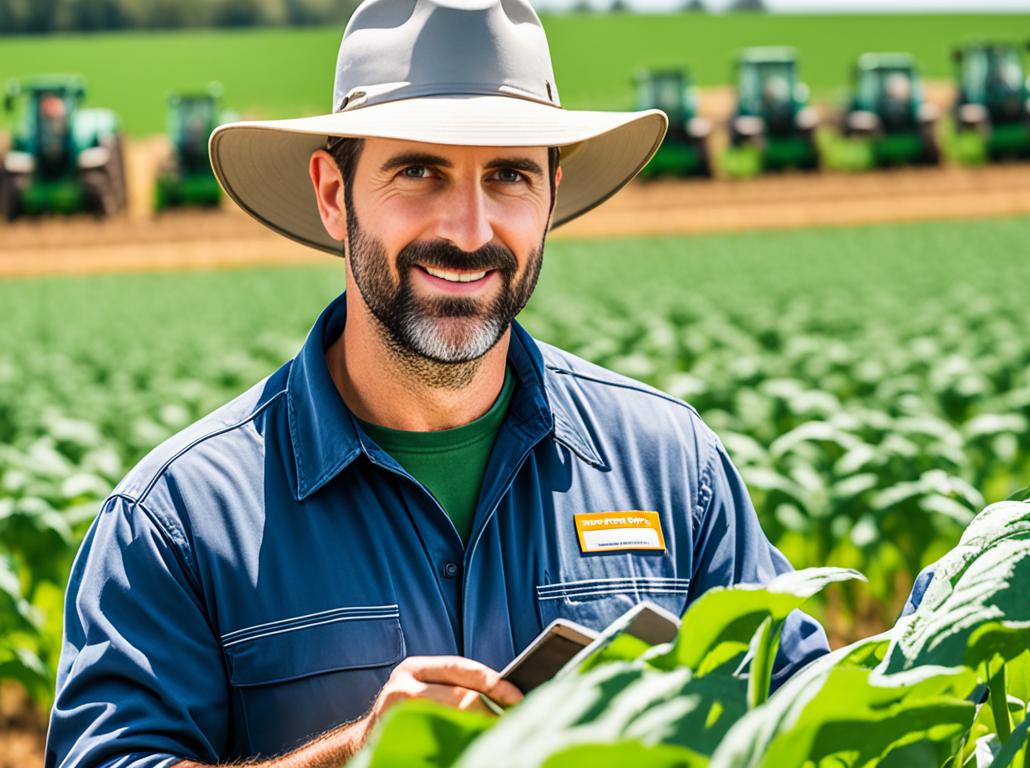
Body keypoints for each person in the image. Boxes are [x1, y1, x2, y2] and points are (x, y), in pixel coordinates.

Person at [46, 1, 829, 766]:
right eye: (418, 171)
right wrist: (352, 756)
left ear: (552, 194)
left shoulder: (672, 470)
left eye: (510, 175)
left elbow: (805, 726)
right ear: (332, 195)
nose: (469, 230)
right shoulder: (180, 521)